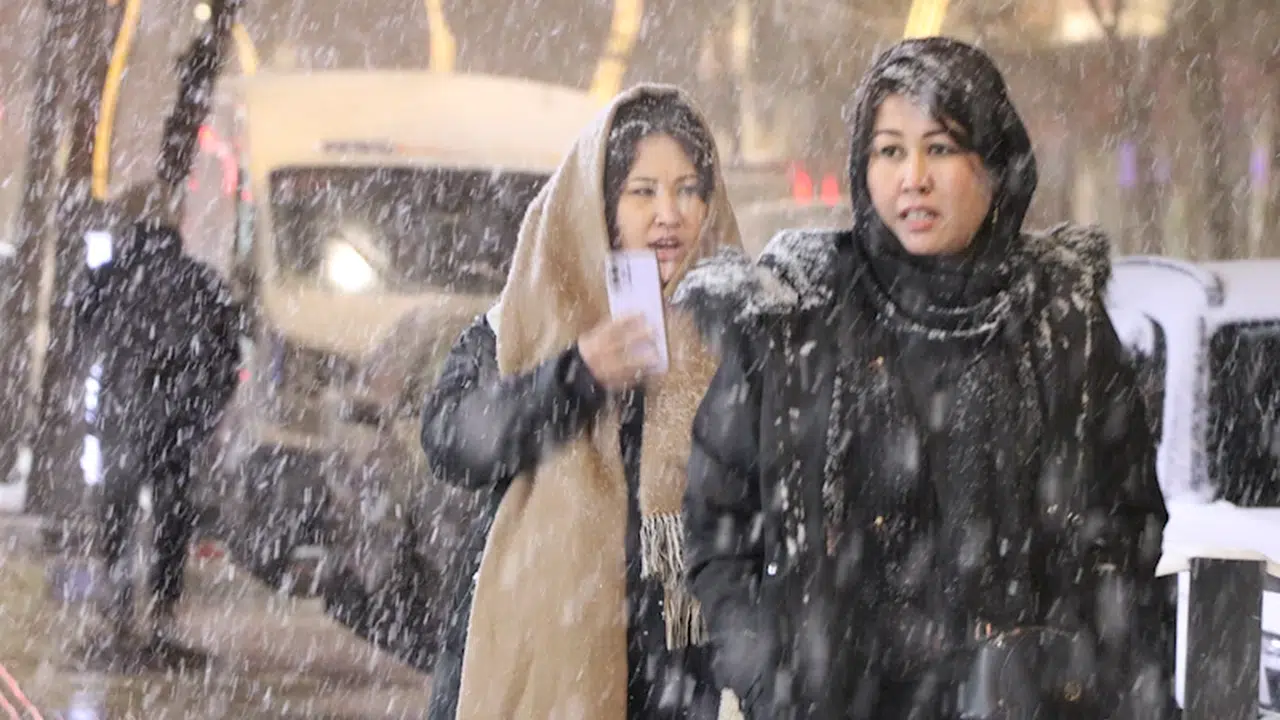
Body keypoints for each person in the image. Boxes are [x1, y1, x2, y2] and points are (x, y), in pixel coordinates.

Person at [678, 37, 1172, 719]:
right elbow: (717, 524)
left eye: (940, 148)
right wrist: (767, 669)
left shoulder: (1062, 321)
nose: (912, 177)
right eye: (889, 151)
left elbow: (1128, 522)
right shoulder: (798, 316)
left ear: (995, 165)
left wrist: (1066, 660)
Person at [419, 85, 743, 719]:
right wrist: (578, 374)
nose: (669, 214)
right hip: (548, 662)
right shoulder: (528, 320)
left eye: (688, 190)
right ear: (600, 205)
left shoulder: (737, 327)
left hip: (683, 684)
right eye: (643, 191)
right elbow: (453, 438)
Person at [77, 219, 242, 663]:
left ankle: (118, 608)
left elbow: (82, 337)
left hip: (123, 414)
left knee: (118, 509)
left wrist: (101, 396)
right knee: (173, 515)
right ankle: (163, 613)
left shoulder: (111, 277)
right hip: (178, 421)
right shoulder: (202, 282)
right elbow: (229, 357)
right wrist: (205, 411)